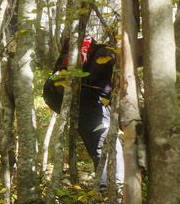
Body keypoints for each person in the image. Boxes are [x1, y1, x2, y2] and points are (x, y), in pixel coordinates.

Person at [42, 36, 121, 187]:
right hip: (87, 103)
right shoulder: (104, 54)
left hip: (74, 102)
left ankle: (111, 189)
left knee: (102, 144)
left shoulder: (95, 53)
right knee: (106, 145)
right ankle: (112, 190)